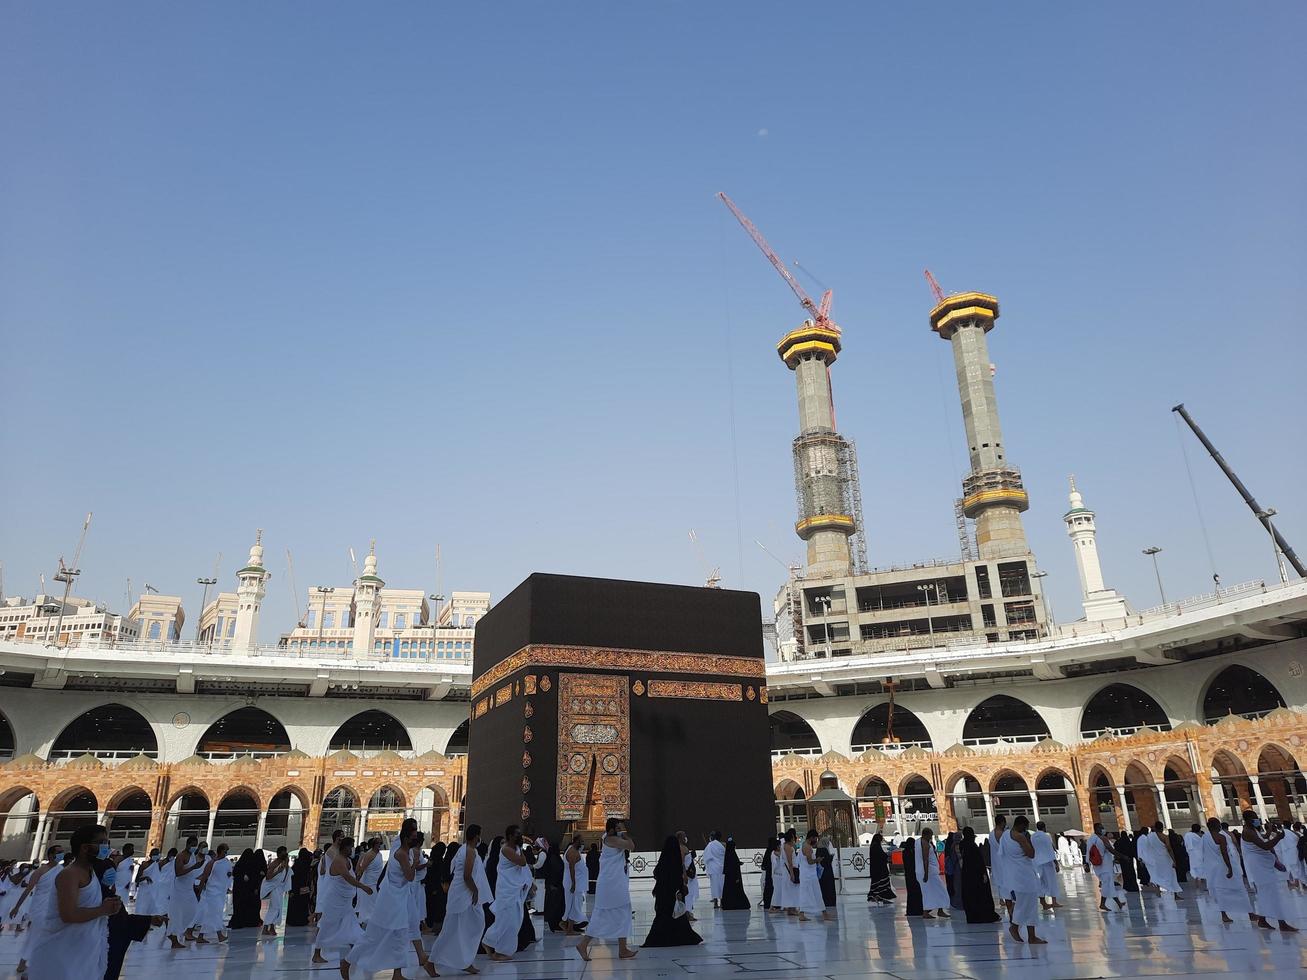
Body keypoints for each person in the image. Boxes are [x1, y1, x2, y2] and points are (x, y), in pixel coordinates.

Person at [25, 824, 121, 979]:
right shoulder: (70, 874)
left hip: (82, 954)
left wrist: (109, 907)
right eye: (101, 843)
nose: (106, 847)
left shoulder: (90, 872)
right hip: (61, 956)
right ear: (85, 848)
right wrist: (103, 910)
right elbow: (68, 914)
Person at [576, 818, 638, 961]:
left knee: (622, 912)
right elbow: (631, 846)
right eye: (617, 828)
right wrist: (625, 835)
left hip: (613, 883)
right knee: (603, 914)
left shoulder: (607, 838)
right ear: (611, 829)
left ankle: (622, 949)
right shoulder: (611, 840)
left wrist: (622, 834)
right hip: (612, 884)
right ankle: (584, 944)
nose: (619, 830)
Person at [430, 822, 488, 975]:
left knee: (469, 927)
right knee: (452, 930)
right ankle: (431, 962)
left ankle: (465, 961)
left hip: (461, 895)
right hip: (464, 896)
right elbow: (467, 876)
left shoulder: (463, 849)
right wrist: (475, 891)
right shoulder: (469, 852)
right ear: (476, 836)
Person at [11, 845, 64, 976]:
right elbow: (28, 889)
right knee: (35, 935)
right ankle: (22, 963)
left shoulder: (61, 870)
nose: (61, 854)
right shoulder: (40, 871)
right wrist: (17, 907)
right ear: (51, 855)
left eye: (62, 852)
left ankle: (41, 962)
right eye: (59, 852)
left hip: (54, 907)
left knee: (49, 937)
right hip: (40, 907)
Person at [1239, 810, 1297, 931]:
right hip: (1259, 866)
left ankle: (1263, 920)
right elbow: (1265, 846)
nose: (1257, 820)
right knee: (1272, 893)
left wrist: (1269, 831)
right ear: (1248, 819)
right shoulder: (1248, 832)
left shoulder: (1253, 830)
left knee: (1267, 893)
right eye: (1254, 818)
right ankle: (1282, 923)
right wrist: (1279, 838)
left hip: (1262, 864)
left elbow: (1263, 838)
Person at [642, 835, 703, 947]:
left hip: (663, 895)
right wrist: (679, 891)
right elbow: (678, 878)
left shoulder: (663, 861)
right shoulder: (676, 861)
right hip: (675, 894)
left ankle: (659, 939)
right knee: (678, 917)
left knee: (663, 917)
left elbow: (657, 874)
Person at [483, 824, 532, 960]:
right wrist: (522, 848)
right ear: (510, 836)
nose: (519, 837)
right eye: (517, 834)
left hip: (514, 890)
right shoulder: (505, 850)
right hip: (506, 890)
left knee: (515, 920)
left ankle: (491, 943)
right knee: (506, 920)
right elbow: (522, 862)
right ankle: (497, 949)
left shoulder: (515, 848)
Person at [1000, 816, 1046, 944]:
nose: (1026, 829)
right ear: (1021, 825)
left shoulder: (1005, 835)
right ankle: (1015, 927)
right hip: (1025, 876)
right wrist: (1028, 840)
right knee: (1026, 905)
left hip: (1014, 875)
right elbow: (1031, 854)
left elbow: (1002, 853)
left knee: (1026, 904)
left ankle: (1031, 935)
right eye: (1025, 827)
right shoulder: (1020, 837)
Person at [1201, 816, 1251, 924]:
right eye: (1218, 824)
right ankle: (1249, 913)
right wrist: (1230, 868)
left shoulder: (1205, 837)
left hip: (1212, 868)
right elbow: (1224, 854)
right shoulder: (1221, 837)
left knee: (1219, 892)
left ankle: (1224, 915)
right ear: (1216, 826)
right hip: (1223, 866)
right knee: (1239, 888)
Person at [165, 837, 205, 948]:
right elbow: (178, 873)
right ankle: (174, 938)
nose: (194, 847)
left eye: (196, 845)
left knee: (193, 910)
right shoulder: (181, 856)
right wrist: (193, 867)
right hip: (179, 889)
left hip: (188, 888)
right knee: (176, 914)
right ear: (187, 844)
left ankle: (177, 932)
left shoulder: (192, 855)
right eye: (192, 844)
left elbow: (192, 872)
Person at [959, 827, 1001, 923]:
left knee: (970, 896)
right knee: (981, 895)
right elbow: (978, 862)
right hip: (976, 876)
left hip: (966, 875)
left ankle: (972, 917)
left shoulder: (962, 845)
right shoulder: (972, 846)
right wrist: (983, 874)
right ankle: (985, 916)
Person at [193, 842, 233, 943]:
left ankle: (201, 936)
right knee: (215, 913)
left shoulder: (226, 862)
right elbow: (204, 877)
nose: (227, 852)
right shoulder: (212, 863)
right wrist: (199, 891)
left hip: (221, 892)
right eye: (226, 850)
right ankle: (219, 935)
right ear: (221, 851)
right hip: (212, 892)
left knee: (211, 914)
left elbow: (227, 874)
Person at [1137, 823, 1183, 902]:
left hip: (1156, 860)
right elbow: (1169, 848)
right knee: (1172, 876)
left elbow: (1147, 849)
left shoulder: (1149, 837)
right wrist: (1173, 860)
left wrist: (1145, 859)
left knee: (1157, 875)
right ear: (1162, 828)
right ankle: (1175, 895)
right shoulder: (1164, 837)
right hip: (1165, 859)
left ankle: (1158, 894)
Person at [1085, 823, 1124, 911]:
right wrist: (1123, 856)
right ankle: (1102, 904)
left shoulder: (1091, 839)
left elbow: (1088, 852)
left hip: (1099, 865)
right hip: (1104, 865)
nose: (1103, 829)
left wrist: (1087, 863)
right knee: (1107, 884)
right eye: (1101, 828)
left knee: (1109, 884)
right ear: (1096, 829)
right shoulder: (1101, 839)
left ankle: (1118, 903)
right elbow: (1110, 849)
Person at [795, 829, 831, 922]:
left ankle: (803, 913)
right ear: (811, 837)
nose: (816, 840)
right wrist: (817, 860)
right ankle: (824, 913)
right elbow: (810, 861)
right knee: (816, 893)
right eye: (815, 838)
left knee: (806, 894)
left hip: (806, 874)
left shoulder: (805, 845)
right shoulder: (807, 847)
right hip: (808, 875)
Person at [917, 828, 950, 920]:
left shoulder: (920, 842)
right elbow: (925, 859)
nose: (931, 837)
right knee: (940, 890)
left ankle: (939, 910)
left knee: (935, 891)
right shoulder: (925, 844)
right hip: (930, 873)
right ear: (925, 835)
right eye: (930, 835)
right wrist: (926, 874)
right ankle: (927, 911)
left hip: (930, 872)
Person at [260, 846, 291, 937]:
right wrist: (278, 871)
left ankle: (272, 927)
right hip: (274, 888)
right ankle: (266, 927)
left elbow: (286, 875)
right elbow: (268, 877)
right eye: (283, 853)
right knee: (275, 908)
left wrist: (286, 863)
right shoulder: (274, 864)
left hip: (279, 888)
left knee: (278, 909)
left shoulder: (284, 863)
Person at [228, 848, 263, 929]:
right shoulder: (249, 866)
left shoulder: (240, 865)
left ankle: (241, 921)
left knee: (239, 906)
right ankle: (247, 921)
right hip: (246, 890)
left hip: (240, 890)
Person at [1030, 821, 1062, 910]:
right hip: (1047, 862)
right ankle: (1054, 901)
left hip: (1036, 862)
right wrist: (1056, 862)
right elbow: (1050, 849)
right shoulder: (1046, 836)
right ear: (1044, 827)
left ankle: (1043, 902)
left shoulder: (1033, 836)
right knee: (1052, 882)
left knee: (1040, 882)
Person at [353, 837, 384, 926]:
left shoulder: (380, 854)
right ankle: (367, 920)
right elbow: (362, 869)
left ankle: (374, 919)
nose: (380, 845)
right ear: (374, 844)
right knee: (369, 903)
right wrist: (357, 882)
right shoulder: (369, 854)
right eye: (378, 843)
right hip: (369, 882)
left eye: (381, 843)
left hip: (377, 881)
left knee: (376, 902)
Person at [562, 832, 587, 935]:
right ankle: (568, 927)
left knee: (574, 904)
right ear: (576, 840)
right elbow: (572, 869)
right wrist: (573, 884)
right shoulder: (572, 852)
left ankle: (567, 926)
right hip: (572, 883)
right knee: (573, 905)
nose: (582, 843)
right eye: (581, 841)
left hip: (576, 882)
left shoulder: (574, 850)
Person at [987, 815, 1011, 919]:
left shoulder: (991, 834)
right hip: (1004, 860)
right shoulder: (1004, 834)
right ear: (1002, 822)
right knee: (1006, 881)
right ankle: (1007, 900)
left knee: (1000, 881)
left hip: (995, 861)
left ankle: (1002, 899)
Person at [721, 836, 751, 910]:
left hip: (729, 878)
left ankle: (728, 904)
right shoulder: (733, 855)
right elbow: (734, 867)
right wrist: (737, 877)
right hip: (735, 878)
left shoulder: (728, 855)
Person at [286, 848, 314, 927]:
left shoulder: (296, 865)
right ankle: (300, 920)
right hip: (301, 889)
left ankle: (294, 920)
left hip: (296, 889)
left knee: (296, 905)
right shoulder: (303, 866)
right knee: (301, 905)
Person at [424, 840, 448, 929]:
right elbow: (433, 875)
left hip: (432, 887)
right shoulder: (437, 861)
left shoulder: (433, 859)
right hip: (434, 887)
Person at [866, 832, 894, 904]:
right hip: (880, 870)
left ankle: (875, 896)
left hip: (875, 870)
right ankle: (882, 897)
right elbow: (881, 855)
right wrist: (887, 856)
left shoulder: (874, 845)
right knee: (882, 883)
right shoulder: (876, 846)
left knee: (876, 883)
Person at [676, 831, 699, 920]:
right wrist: (684, 874)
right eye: (684, 836)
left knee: (689, 893)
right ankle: (687, 913)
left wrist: (691, 856)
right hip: (686, 875)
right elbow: (681, 862)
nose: (685, 838)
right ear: (680, 838)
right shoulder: (681, 848)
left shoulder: (684, 847)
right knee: (687, 894)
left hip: (689, 875)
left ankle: (688, 911)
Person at [702, 831, 726, 909]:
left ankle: (715, 903)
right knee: (722, 885)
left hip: (713, 869)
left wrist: (706, 865)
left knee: (714, 886)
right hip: (721, 868)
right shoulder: (723, 845)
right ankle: (722, 902)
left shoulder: (710, 845)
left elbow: (706, 857)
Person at [779, 828, 799, 915]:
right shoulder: (788, 847)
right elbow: (790, 862)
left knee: (791, 889)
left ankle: (792, 908)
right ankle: (792, 909)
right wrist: (792, 874)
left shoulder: (785, 846)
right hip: (790, 870)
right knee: (792, 889)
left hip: (789, 870)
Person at [901, 836, 922, 917]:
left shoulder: (907, 852)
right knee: (914, 892)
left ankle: (914, 910)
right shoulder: (908, 853)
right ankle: (915, 910)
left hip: (910, 876)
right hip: (912, 875)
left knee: (913, 893)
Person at [1183, 823, 1206, 887]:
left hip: (1193, 855)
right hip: (1201, 854)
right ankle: (1204, 885)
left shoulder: (1188, 835)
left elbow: (1187, 845)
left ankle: (1197, 886)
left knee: (1195, 870)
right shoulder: (1202, 835)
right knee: (1202, 869)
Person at [761, 837, 778, 910]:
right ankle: (774, 903)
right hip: (773, 873)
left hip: (768, 873)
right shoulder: (773, 852)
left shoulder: (768, 850)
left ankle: (768, 903)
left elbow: (764, 864)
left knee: (768, 887)